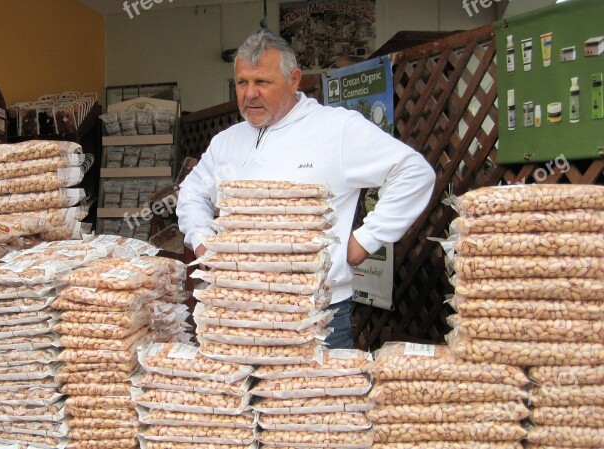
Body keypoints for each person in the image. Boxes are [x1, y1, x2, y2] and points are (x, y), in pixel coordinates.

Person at [176, 31, 436, 349]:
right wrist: (203, 244)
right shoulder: (227, 141)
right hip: (237, 314)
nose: (250, 94)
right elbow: (192, 194)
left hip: (315, 312)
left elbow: (414, 172)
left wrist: (365, 240)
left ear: (294, 79)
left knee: (314, 400)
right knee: (244, 400)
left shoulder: (337, 129)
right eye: (242, 83)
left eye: (263, 82)